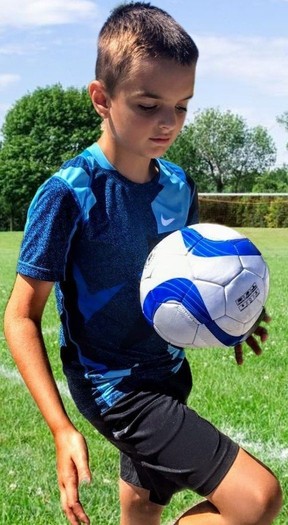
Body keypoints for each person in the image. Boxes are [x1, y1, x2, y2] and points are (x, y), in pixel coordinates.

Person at [4, 3, 282, 525]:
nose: (169, 123)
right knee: (258, 499)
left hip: (170, 372)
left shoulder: (177, 185)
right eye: (149, 104)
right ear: (101, 99)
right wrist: (62, 428)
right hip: (115, 388)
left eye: (182, 106)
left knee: (141, 503)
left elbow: (193, 271)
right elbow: (20, 316)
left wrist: (233, 312)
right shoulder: (69, 194)